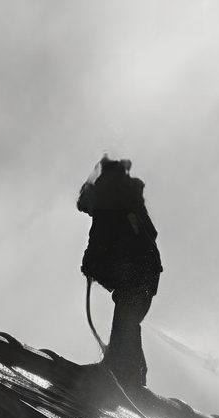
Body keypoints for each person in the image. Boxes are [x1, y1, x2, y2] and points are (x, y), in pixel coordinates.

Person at [77, 155, 162, 387]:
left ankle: (125, 375)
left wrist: (89, 265)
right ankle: (128, 373)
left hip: (137, 272)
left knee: (125, 321)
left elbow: (98, 243)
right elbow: (149, 234)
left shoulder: (107, 203)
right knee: (128, 321)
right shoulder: (128, 200)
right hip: (148, 270)